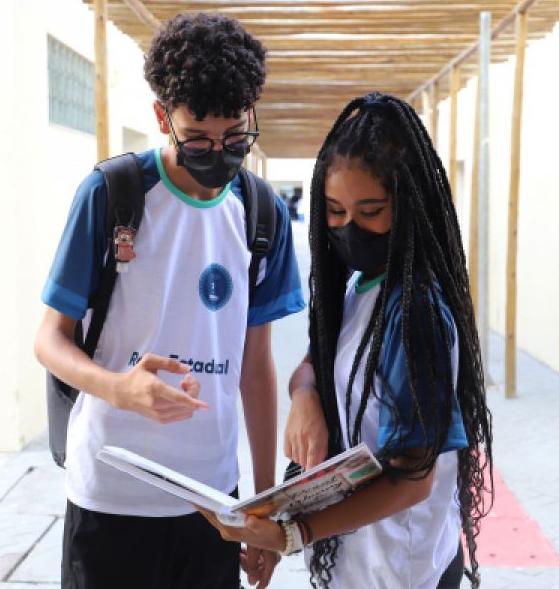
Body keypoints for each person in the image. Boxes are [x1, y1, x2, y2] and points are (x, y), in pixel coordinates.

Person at [34, 13, 305, 589]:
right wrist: (119, 388)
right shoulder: (111, 195)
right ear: (163, 118)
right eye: (198, 138)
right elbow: (49, 339)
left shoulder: (261, 214)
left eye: (235, 136)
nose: (219, 154)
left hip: (212, 501)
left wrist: (264, 507)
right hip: (110, 496)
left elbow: (255, 365)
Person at [198, 91, 494, 589]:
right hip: (358, 565)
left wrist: (294, 535)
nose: (348, 227)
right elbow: (315, 361)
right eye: (334, 210)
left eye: (370, 210)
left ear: (408, 205)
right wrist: (304, 396)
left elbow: (412, 481)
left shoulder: (414, 313)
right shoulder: (360, 286)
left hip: (401, 573)